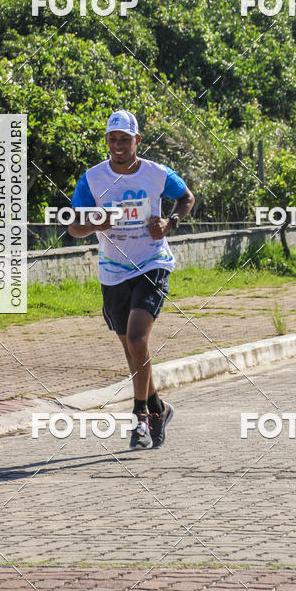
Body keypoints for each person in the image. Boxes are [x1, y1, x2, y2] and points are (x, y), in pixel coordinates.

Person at [68, 110, 194, 450]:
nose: (118, 145)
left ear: (137, 140)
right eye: (113, 139)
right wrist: (94, 224)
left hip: (152, 262)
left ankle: (140, 418)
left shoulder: (156, 173)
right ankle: (159, 409)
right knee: (131, 348)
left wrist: (169, 223)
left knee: (138, 338)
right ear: (106, 141)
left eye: (125, 139)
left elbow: (186, 198)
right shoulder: (92, 179)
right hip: (113, 270)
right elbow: (73, 226)